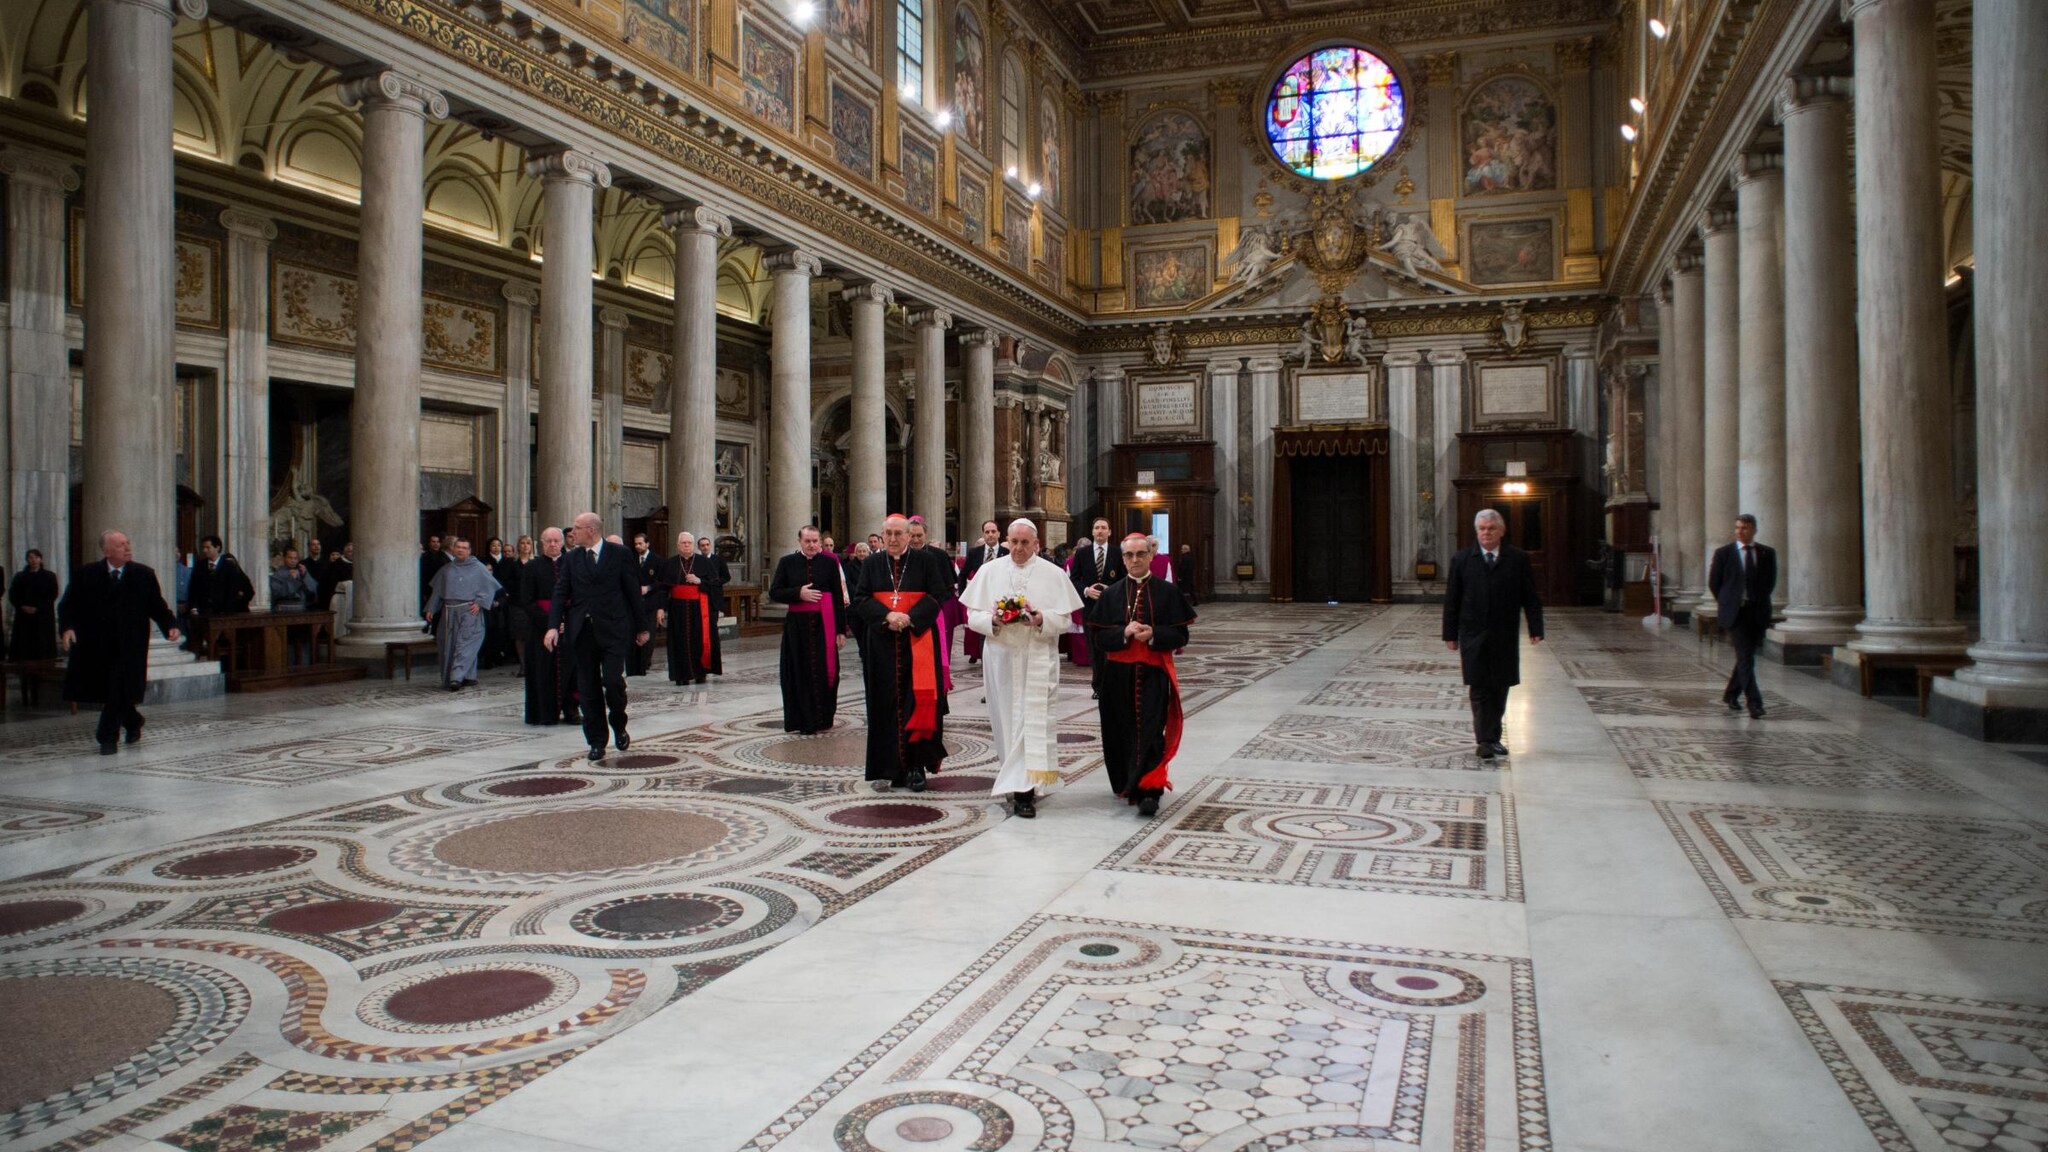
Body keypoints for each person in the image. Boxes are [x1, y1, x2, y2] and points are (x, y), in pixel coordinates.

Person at [963, 519, 1082, 819]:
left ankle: (1024, 790)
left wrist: (1042, 618)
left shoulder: (1053, 574)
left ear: (1036, 544)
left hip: (1037, 656)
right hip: (1000, 657)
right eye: (1013, 542)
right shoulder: (989, 571)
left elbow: (1066, 620)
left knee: (1031, 721)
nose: (1018, 548)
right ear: (1006, 541)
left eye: (1024, 543)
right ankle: (1014, 776)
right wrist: (992, 620)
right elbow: (971, 615)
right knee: (1004, 719)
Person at [1085, 533, 1194, 816]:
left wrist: (1154, 634)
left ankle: (1150, 789)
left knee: (1151, 730)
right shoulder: (1111, 594)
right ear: (1122, 559)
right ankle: (1126, 782)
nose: (1134, 560)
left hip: (1153, 673)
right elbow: (1098, 638)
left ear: (1150, 556)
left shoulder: (1168, 592)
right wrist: (1123, 632)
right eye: (1129, 555)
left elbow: (1181, 635)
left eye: (1140, 554)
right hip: (1117, 676)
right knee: (1119, 729)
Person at [59, 530, 181, 755]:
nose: (127, 548)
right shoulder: (86, 574)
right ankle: (133, 721)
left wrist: (170, 625)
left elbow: (157, 605)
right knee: (112, 689)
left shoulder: (143, 574)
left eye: (128, 543)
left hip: (130, 645)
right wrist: (67, 628)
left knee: (117, 687)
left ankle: (107, 737)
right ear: (106, 551)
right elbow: (69, 605)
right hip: (97, 644)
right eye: (120, 545)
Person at [853, 514, 952, 790]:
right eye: (889, 534)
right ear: (882, 536)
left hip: (917, 641)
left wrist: (910, 618)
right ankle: (889, 767)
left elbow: (938, 595)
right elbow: (860, 599)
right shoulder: (872, 563)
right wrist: (887, 616)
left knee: (918, 703)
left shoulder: (926, 561)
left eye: (899, 534)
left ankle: (916, 767)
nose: (893, 539)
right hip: (882, 644)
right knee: (883, 703)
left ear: (910, 536)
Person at [545, 513, 651, 761]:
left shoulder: (620, 554)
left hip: (613, 629)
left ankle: (619, 724)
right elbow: (561, 593)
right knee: (587, 688)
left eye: (577, 528)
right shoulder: (572, 559)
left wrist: (641, 627)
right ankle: (596, 741)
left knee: (613, 682)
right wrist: (553, 626)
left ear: (591, 530)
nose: (572, 533)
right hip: (582, 631)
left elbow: (632, 592)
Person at [1442, 508, 1544, 760]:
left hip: (1504, 633)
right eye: (1482, 529)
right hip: (1473, 633)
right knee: (1479, 687)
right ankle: (1484, 740)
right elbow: (1452, 600)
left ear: (1501, 531)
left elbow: (1530, 596)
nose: (1486, 533)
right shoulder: (1463, 559)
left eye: (1491, 528)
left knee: (1500, 686)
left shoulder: (1517, 558)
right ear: (1476, 531)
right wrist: (1450, 634)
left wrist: (1536, 628)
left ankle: (1493, 737)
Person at [768, 525, 847, 733]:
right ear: (799, 542)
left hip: (825, 625)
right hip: (797, 627)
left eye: (815, 541)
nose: (812, 545)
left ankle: (823, 718)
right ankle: (800, 720)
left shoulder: (830, 562)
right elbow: (774, 592)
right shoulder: (787, 562)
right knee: (798, 672)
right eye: (807, 541)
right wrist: (797, 593)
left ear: (820, 542)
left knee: (824, 671)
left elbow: (838, 597)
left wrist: (840, 630)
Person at [1709, 513, 1777, 719]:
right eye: (1738, 527)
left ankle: (1731, 694)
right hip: (1735, 613)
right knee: (1746, 656)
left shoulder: (1767, 553)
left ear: (1754, 530)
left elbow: (1769, 582)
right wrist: (1728, 601)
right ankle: (1754, 703)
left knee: (1746, 656)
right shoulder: (1724, 553)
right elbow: (1715, 583)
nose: (1740, 531)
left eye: (1745, 528)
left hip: (1756, 611)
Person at [422, 537, 500, 690]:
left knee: (465, 643)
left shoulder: (478, 568)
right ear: (453, 549)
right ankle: (468, 676)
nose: (460, 550)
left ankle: (456, 678)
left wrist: (480, 603)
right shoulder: (447, 569)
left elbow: (489, 587)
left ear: (469, 551)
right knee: (448, 644)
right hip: (449, 611)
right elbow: (437, 591)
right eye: (458, 547)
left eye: (464, 548)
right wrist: (431, 608)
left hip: (469, 611)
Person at [520, 528, 576, 725]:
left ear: (562, 542)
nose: (553, 544)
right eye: (548, 541)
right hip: (539, 628)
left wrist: (565, 622)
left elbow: (577, 596)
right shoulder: (532, 567)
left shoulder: (572, 563)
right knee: (542, 671)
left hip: (569, 626)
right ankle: (544, 713)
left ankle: (571, 710)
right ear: (541, 543)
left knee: (572, 670)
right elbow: (526, 601)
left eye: (556, 541)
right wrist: (549, 623)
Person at [657, 532, 725, 685]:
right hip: (677, 609)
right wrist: (661, 608)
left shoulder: (704, 562)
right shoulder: (670, 563)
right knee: (678, 641)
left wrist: (699, 580)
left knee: (699, 640)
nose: (686, 545)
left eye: (689, 543)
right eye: (683, 543)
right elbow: (663, 589)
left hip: (699, 609)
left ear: (693, 545)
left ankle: (700, 673)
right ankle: (681, 675)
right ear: (678, 545)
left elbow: (716, 584)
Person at [1068, 518, 1116, 687]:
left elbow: (1125, 578)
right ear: (1092, 531)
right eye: (1097, 528)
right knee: (1093, 647)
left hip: (1112, 609)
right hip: (1090, 608)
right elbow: (1073, 579)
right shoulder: (1083, 553)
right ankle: (1097, 684)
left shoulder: (1117, 553)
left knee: (1110, 647)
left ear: (1109, 531)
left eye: (1104, 528)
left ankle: (1110, 683)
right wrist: (1087, 590)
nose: (1100, 531)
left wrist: (1109, 588)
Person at [959, 520, 1005, 665]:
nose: (990, 535)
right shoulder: (975, 553)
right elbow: (963, 574)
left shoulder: (1007, 553)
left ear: (998, 533)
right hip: (981, 598)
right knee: (983, 629)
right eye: (987, 532)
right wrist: (964, 597)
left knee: (1000, 629)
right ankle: (986, 661)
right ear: (983, 534)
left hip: (1001, 599)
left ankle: (1000, 660)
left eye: (993, 531)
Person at [8, 549, 59, 662]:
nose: (33, 560)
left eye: (36, 557)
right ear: (27, 560)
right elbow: (13, 594)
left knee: (42, 647)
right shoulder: (20, 577)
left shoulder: (49, 576)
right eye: (30, 558)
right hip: (24, 616)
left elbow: (52, 594)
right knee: (24, 647)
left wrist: (38, 607)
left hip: (42, 616)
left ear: (40, 559)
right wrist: (22, 606)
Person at [628, 533, 660, 676]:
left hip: (650, 602)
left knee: (649, 633)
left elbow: (661, 582)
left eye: (640, 543)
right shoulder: (631, 559)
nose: (638, 546)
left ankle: (646, 661)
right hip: (635, 603)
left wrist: (649, 588)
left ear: (647, 544)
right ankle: (637, 663)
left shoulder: (657, 560)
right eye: (636, 544)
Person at [419, 534, 448, 619]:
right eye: (433, 542)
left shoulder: (444, 556)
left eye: (438, 542)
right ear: (429, 543)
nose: (436, 544)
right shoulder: (425, 557)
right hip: (428, 589)